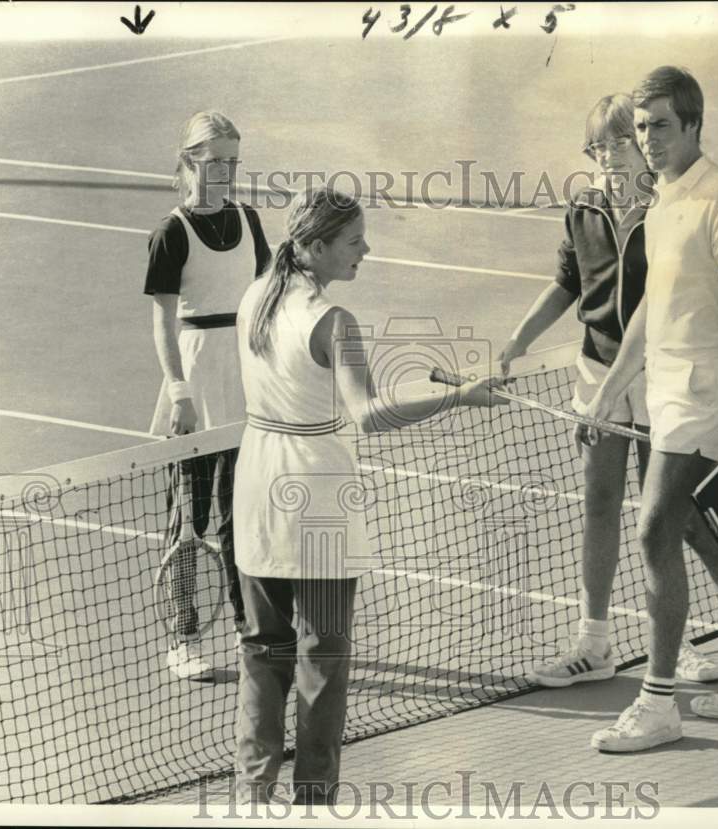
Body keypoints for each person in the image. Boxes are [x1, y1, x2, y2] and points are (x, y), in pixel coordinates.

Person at [233, 187, 505, 804]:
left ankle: (250, 799)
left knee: (262, 651)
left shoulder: (254, 297)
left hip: (256, 488)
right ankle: (313, 805)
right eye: (354, 241)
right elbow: (369, 414)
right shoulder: (335, 322)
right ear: (319, 245)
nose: (366, 250)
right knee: (322, 659)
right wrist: (459, 397)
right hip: (318, 501)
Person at [586, 67, 718, 753]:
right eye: (641, 127)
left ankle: (657, 700)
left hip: (704, 395)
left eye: (661, 126)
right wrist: (612, 386)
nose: (647, 139)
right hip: (666, 390)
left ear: (695, 125)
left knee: (652, 533)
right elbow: (651, 308)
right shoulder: (665, 199)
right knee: (705, 533)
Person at [500, 93, 718, 688]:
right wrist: (514, 344)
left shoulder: (669, 210)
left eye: (619, 142)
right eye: (597, 147)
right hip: (598, 369)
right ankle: (593, 646)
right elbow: (567, 284)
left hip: (660, 374)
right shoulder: (583, 206)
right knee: (600, 506)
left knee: (664, 515)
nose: (608, 156)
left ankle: (677, 642)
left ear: (643, 142)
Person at [145, 110, 272, 680]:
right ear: (191, 160)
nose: (227, 171)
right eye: (217, 160)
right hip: (196, 380)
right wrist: (179, 392)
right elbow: (162, 322)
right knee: (189, 520)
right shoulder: (171, 232)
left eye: (234, 161)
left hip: (245, 376)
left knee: (239, 513)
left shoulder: (248, 219)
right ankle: (185, 636)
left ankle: (252, 629)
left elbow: (268, 297)